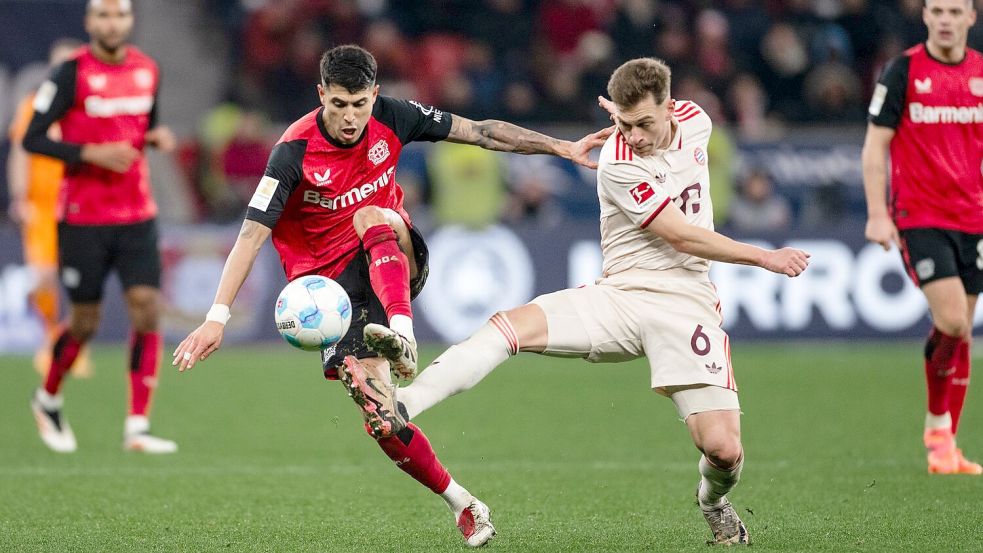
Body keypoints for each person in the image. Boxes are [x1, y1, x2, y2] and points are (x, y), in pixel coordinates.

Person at [340, 57, 810, 546]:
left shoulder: (698, 121)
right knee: (509, 327)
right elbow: (681, 236)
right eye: (624, 125)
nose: (636, 135)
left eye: (645, 123)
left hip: (687, 303)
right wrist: (764, 257)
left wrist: (630, 114)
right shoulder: (618, 164)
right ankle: (401, 405)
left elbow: (684, 220)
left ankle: (712, 500)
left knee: (723, 450)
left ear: (671, 108)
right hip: (623, 295)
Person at [171, 44, 610, 547]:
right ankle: (465, 503)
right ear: (321, 96)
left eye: (360, 103)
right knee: (382, 419)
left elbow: (483, 132)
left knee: (370, 216)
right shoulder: (291, 152)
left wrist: (562, 147)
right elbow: (250, 235)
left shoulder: (395, 116)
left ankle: (403, 335)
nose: (351, 116)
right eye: (339, 104)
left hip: (393, 256)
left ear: (375, 94)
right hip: (330, 295)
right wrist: (217, 317)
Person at [22, 0, 178, 454]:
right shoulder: (69, 74)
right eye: (104, 15)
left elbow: (141, 127)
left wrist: (155, 138)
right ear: (90, 22)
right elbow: (34, 137)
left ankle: (138, 425)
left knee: (147, 308)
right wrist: (90, 153)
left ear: (131, 21)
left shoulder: (149, 69)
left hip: (137, 215)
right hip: (83, 219)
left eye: (121, 15)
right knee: (84, 322)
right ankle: (47, 396)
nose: (113, 23)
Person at [862, 0, 982, 475]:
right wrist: (877, 212)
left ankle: (946, 448)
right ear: (926, 17)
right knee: (953, 321)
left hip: (973, 218)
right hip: (919, 215)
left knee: (963, 331)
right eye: (938, 10)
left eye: (956, 11)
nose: (946, 20)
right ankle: (937, 426)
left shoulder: (979, 73)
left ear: (972, 17)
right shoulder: (903, 70)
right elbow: (875, 145)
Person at [7, 38, 94, 378]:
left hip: (80, 205)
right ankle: (49, 341)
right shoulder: (34, 106)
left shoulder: (90, 110)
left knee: (80, 281)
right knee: (44, 277)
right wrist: (19, 195)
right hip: (42, 206)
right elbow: (21, 152)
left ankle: (73, 348)